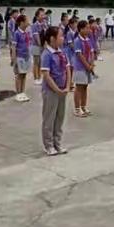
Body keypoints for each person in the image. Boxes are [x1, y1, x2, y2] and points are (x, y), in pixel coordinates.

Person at [40, 26, 71, 156]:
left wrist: (68, 86)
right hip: (51, 90)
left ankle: (57, 143)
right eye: (61, 36)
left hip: (62, 89)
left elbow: (67, 69)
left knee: (59, 117)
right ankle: (49, 145)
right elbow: (46, 75)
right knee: (49, 118)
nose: (63, 38)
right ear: (52, 39)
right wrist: (57, 89)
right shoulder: (47, 54)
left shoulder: (62, 52)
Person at [73, 20, 95, 118]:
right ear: (81, 29)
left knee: (85, 87)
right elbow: (79, 55)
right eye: (86, 28)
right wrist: (87, 65)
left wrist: (92, 63)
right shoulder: (77, 40)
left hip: (88, 67)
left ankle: (83, 106)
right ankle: (77, 109)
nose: (88, 30)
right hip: (80, 67)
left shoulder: (88, 39)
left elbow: (91, 52)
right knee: (79, 88)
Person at [11, 15, 32, 102]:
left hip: (26, 56)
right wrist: (14, 59)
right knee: (19, 75)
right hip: (19, 56)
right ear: (22, 22)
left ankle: (22, 92)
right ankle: (18, 93)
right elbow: (14, 47)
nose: (28, 23)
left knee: (24, 75)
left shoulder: (26, 33)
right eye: (27, 21)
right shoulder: (17, 33)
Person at [31, 9, 45, 86]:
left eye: (43, 15)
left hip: (42, 46)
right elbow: (36, 37)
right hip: (36, 46)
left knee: (40, 62)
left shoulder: (43, 24)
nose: (43, 16)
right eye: (41, 15)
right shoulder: (34, 25)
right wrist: (41, 45)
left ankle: (40, 77)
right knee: (36, 62)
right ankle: (36, 78)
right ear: (37, 17)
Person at [64, 18, 78, 91]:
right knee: (70, 68)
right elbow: (70, 44)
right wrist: (76, 50)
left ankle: (71, 83)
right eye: (75, 23)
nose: (76, 25)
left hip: (72, 52)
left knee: (73, 68)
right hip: (69, 52)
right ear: (71, 25)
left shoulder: (75, 31)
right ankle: (69, 84)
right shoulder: (69, 33)